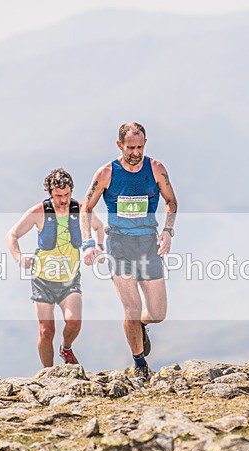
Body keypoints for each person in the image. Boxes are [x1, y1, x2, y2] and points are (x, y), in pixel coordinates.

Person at [81, 122, 178, 380]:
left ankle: (142, 326)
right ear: (119, 145)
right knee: (131, 309)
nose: (136, 153)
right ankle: (140, 365)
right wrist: (88, 242)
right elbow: (85, 208)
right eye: (130, 148)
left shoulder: (155, 169)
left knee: (157, 313)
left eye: (140, 147)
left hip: (148, 242)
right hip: (119, 245)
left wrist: (168, 231)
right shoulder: (106, 173)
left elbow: (171, 202)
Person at [7, 168, 104, 368]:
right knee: (46, 331)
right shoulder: (38, 212)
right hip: (42, 280)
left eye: (67, 195)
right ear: (50, 193)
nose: (63, 200)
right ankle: (48, 375)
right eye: (59, 196)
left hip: (70, 279)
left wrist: (99, 248)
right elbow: (12, 235)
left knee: (73, 321)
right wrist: (19, 258)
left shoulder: (80, 209)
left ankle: (66, 348)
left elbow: (99, 227)